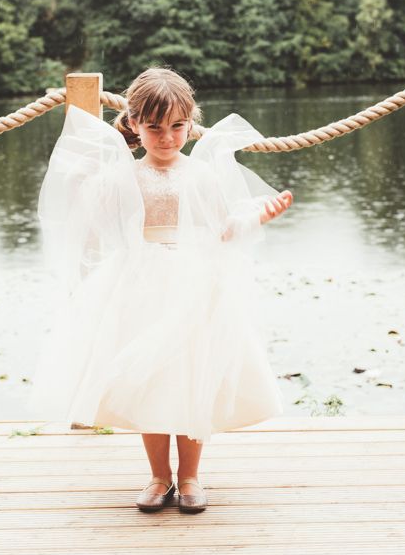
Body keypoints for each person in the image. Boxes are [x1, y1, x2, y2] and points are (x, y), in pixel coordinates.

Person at [27, 66, 293, 514]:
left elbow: (222, 229)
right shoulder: (123, 176)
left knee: (191, 376)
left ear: (190, 125)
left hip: (195, 285)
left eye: (176, 126)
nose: (166, 137)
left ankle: (189, 475)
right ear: (133, 124)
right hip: (140, 285)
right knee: (150, 380)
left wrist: (257, 216)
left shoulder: (202, 176)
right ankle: (158, 475)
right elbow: (93, 222)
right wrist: (80, 187)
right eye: (154, 127)